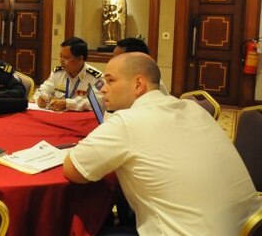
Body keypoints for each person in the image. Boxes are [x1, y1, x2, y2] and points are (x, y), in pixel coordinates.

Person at [63, 52, 260, 235]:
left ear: (138, 84)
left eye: (110, 80)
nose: (103, 88)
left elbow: (73, 170)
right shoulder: (193, 108)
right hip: (245, 227)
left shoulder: (128, 122)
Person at [33, 37, 103, 111]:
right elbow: (43, 89)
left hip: (80, 119)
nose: (61, 61)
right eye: (61, 56)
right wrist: (41, 97)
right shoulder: (58, 73)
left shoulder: (96, 78)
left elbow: (98, 102)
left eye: (66, 58)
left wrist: (68, 104)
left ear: (80, 59)